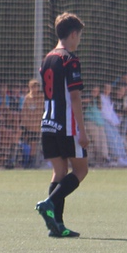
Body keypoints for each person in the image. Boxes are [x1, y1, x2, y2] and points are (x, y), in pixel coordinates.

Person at [35, 13, 88, 238]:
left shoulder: (47, 59)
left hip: (48, 123)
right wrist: (83, 131)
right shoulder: (69, 59)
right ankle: (49, 203)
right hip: (67, 125)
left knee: (59, 171)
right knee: (81, 170)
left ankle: (57, 226)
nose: (79, 41)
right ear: (73, 34)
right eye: (79, 37)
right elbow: (74, 97)